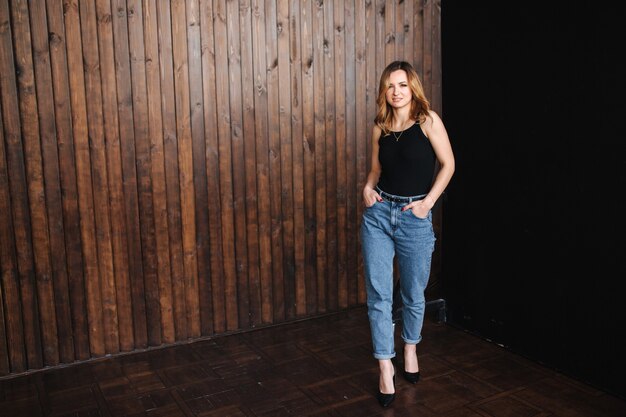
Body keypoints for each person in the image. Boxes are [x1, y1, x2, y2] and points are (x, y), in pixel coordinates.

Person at [360, 60, 455, 408]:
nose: (396, 91)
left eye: (401, 84)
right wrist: (367, 189)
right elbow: (375, 170)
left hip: (414, 217)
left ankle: (410, 347)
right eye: (390, 86)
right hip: (379, 216)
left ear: (412, 87)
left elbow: (449, 164)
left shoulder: (428, 121)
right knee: (379, 296)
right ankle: (385, 366)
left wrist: (427, 203)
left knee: (413, 293)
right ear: (384, 91)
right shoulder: (380, 126)